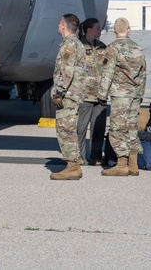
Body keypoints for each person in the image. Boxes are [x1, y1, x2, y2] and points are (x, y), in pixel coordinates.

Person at [97, 17, 147, 177]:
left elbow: (108, 72)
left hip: (120, 94)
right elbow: (142, 74)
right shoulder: (137, 48)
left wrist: (102, 94)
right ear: (129, 29)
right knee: (131, 127)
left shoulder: (112, 48)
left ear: (114, 31)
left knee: (117, 129)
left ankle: (122, 163)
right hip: (134, 94)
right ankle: (133, 164)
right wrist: (140, 94)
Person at [51, 13, 86, 180]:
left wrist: (59, 92)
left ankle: (72, 166)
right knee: (69, 128)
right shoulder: (75, 43)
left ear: (64, 26)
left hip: (68, 95)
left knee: (65, 129)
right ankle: (75, 162)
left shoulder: (69, 45)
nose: (58, 25)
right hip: (73, 93)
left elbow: (67, 71)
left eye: (59, 22)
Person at [76, 18, 110, 166]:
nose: (100, 30)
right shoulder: (78, 46)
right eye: (97, 28)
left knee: (98, 128)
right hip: (84, 94)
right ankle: (79, 156)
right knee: (81, 128)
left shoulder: (102, 47)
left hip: (100, 95)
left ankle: (95, 155)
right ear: (89, 30)